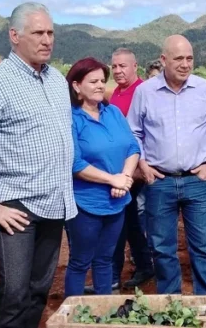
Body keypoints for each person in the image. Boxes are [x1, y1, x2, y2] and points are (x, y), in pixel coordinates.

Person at [0, 2, 75, 328]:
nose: (47, 39)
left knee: (38, 290)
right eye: (38, 33)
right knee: (14, 294)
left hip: (54, 201)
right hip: (15, 203)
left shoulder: (57, 80)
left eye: (50, 32)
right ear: (14, 36)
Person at [128, 35, 206, 328]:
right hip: (158, 182)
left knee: (204, 249)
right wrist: (142, 162)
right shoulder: (145, 92)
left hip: (197, 183)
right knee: (162, 249)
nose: (185, 64)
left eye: (189, 58)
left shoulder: (204, 90)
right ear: (163, 60)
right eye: (178, 59)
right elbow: (132, 133)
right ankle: (171, 311)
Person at [65, 57, 140, 297]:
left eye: (102, 81)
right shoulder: (71, 119)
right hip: (85, 203)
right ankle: (72, 318)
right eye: (93, 81)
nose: (100, 85)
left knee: (105, 260)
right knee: (80, 261)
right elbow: (75, 164)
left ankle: (104, 312)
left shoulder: (113, 113)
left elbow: (132, 147)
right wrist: (112, 180)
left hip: (117, 202)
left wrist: (125, 178)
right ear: (77, 86)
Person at [106, 48, 155, 292]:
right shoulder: (115, 93)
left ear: (135, 66)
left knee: (120, 223)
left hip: (137, 172)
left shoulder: (143, 91)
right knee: (132, 222)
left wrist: (137, 169)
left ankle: (112, 276)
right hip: (120, 172)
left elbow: (146, 134)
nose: (118, 71)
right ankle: (144, 265)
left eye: (123, 66)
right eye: (114, 66)